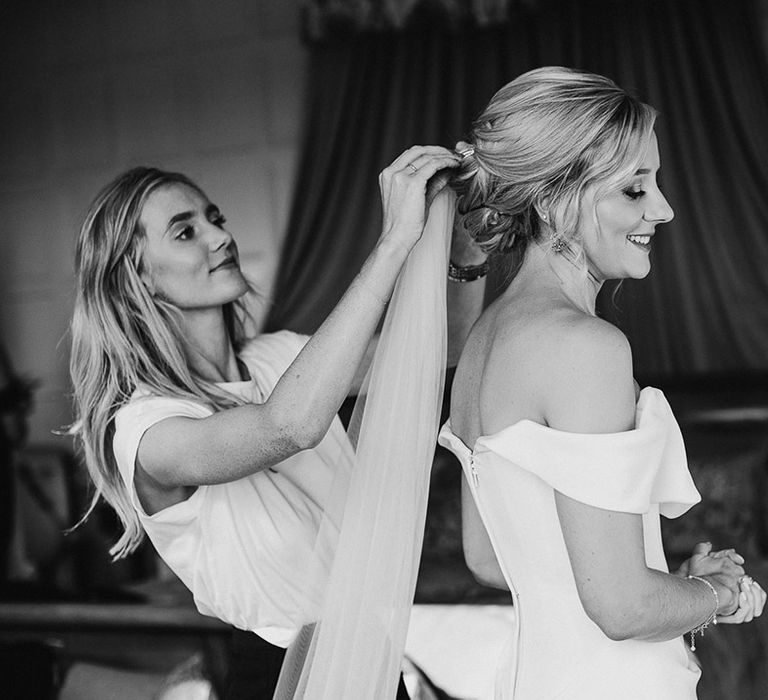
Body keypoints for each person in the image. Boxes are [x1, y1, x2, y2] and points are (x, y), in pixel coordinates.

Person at [68, 145, 488, 699]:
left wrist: (465, 243)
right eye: (185, 231)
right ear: (138, 276)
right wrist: (394, 241)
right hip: (276, 675)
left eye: (214, 218)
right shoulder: (147, 431)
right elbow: (286, 427)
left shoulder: (279, 356)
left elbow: (443, 346)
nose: (220, 236)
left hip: (372, 653)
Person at [438, 67, 766, 699]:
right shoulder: (584, 348)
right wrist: (717, 595)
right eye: (634, 190)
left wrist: (670, 583)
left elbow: (490, 559)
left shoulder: (483, 341)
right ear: (557, 199)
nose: (664, 209)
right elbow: (623, 611)